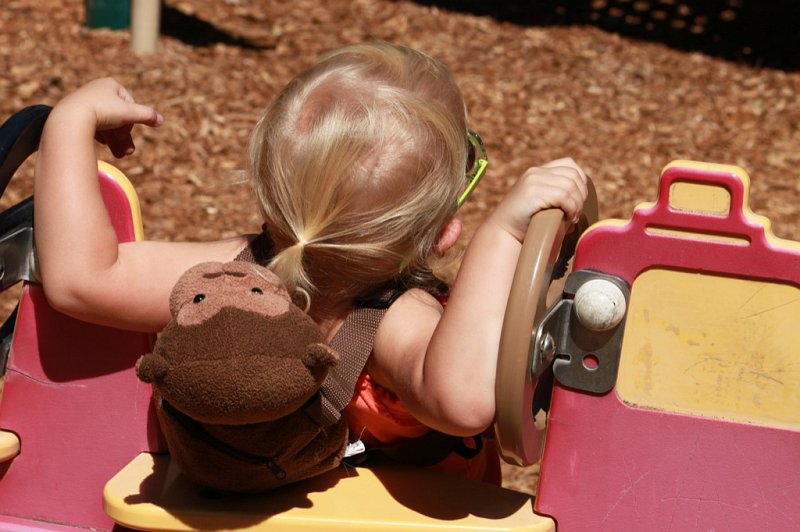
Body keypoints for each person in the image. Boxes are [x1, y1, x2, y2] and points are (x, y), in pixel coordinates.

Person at [33, 42, 588, 483]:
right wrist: (502, 238)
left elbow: (81, 279)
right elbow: (464, 401)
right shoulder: (396, 320)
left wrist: (69, 124)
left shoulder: (229, 274)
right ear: (441, 230)